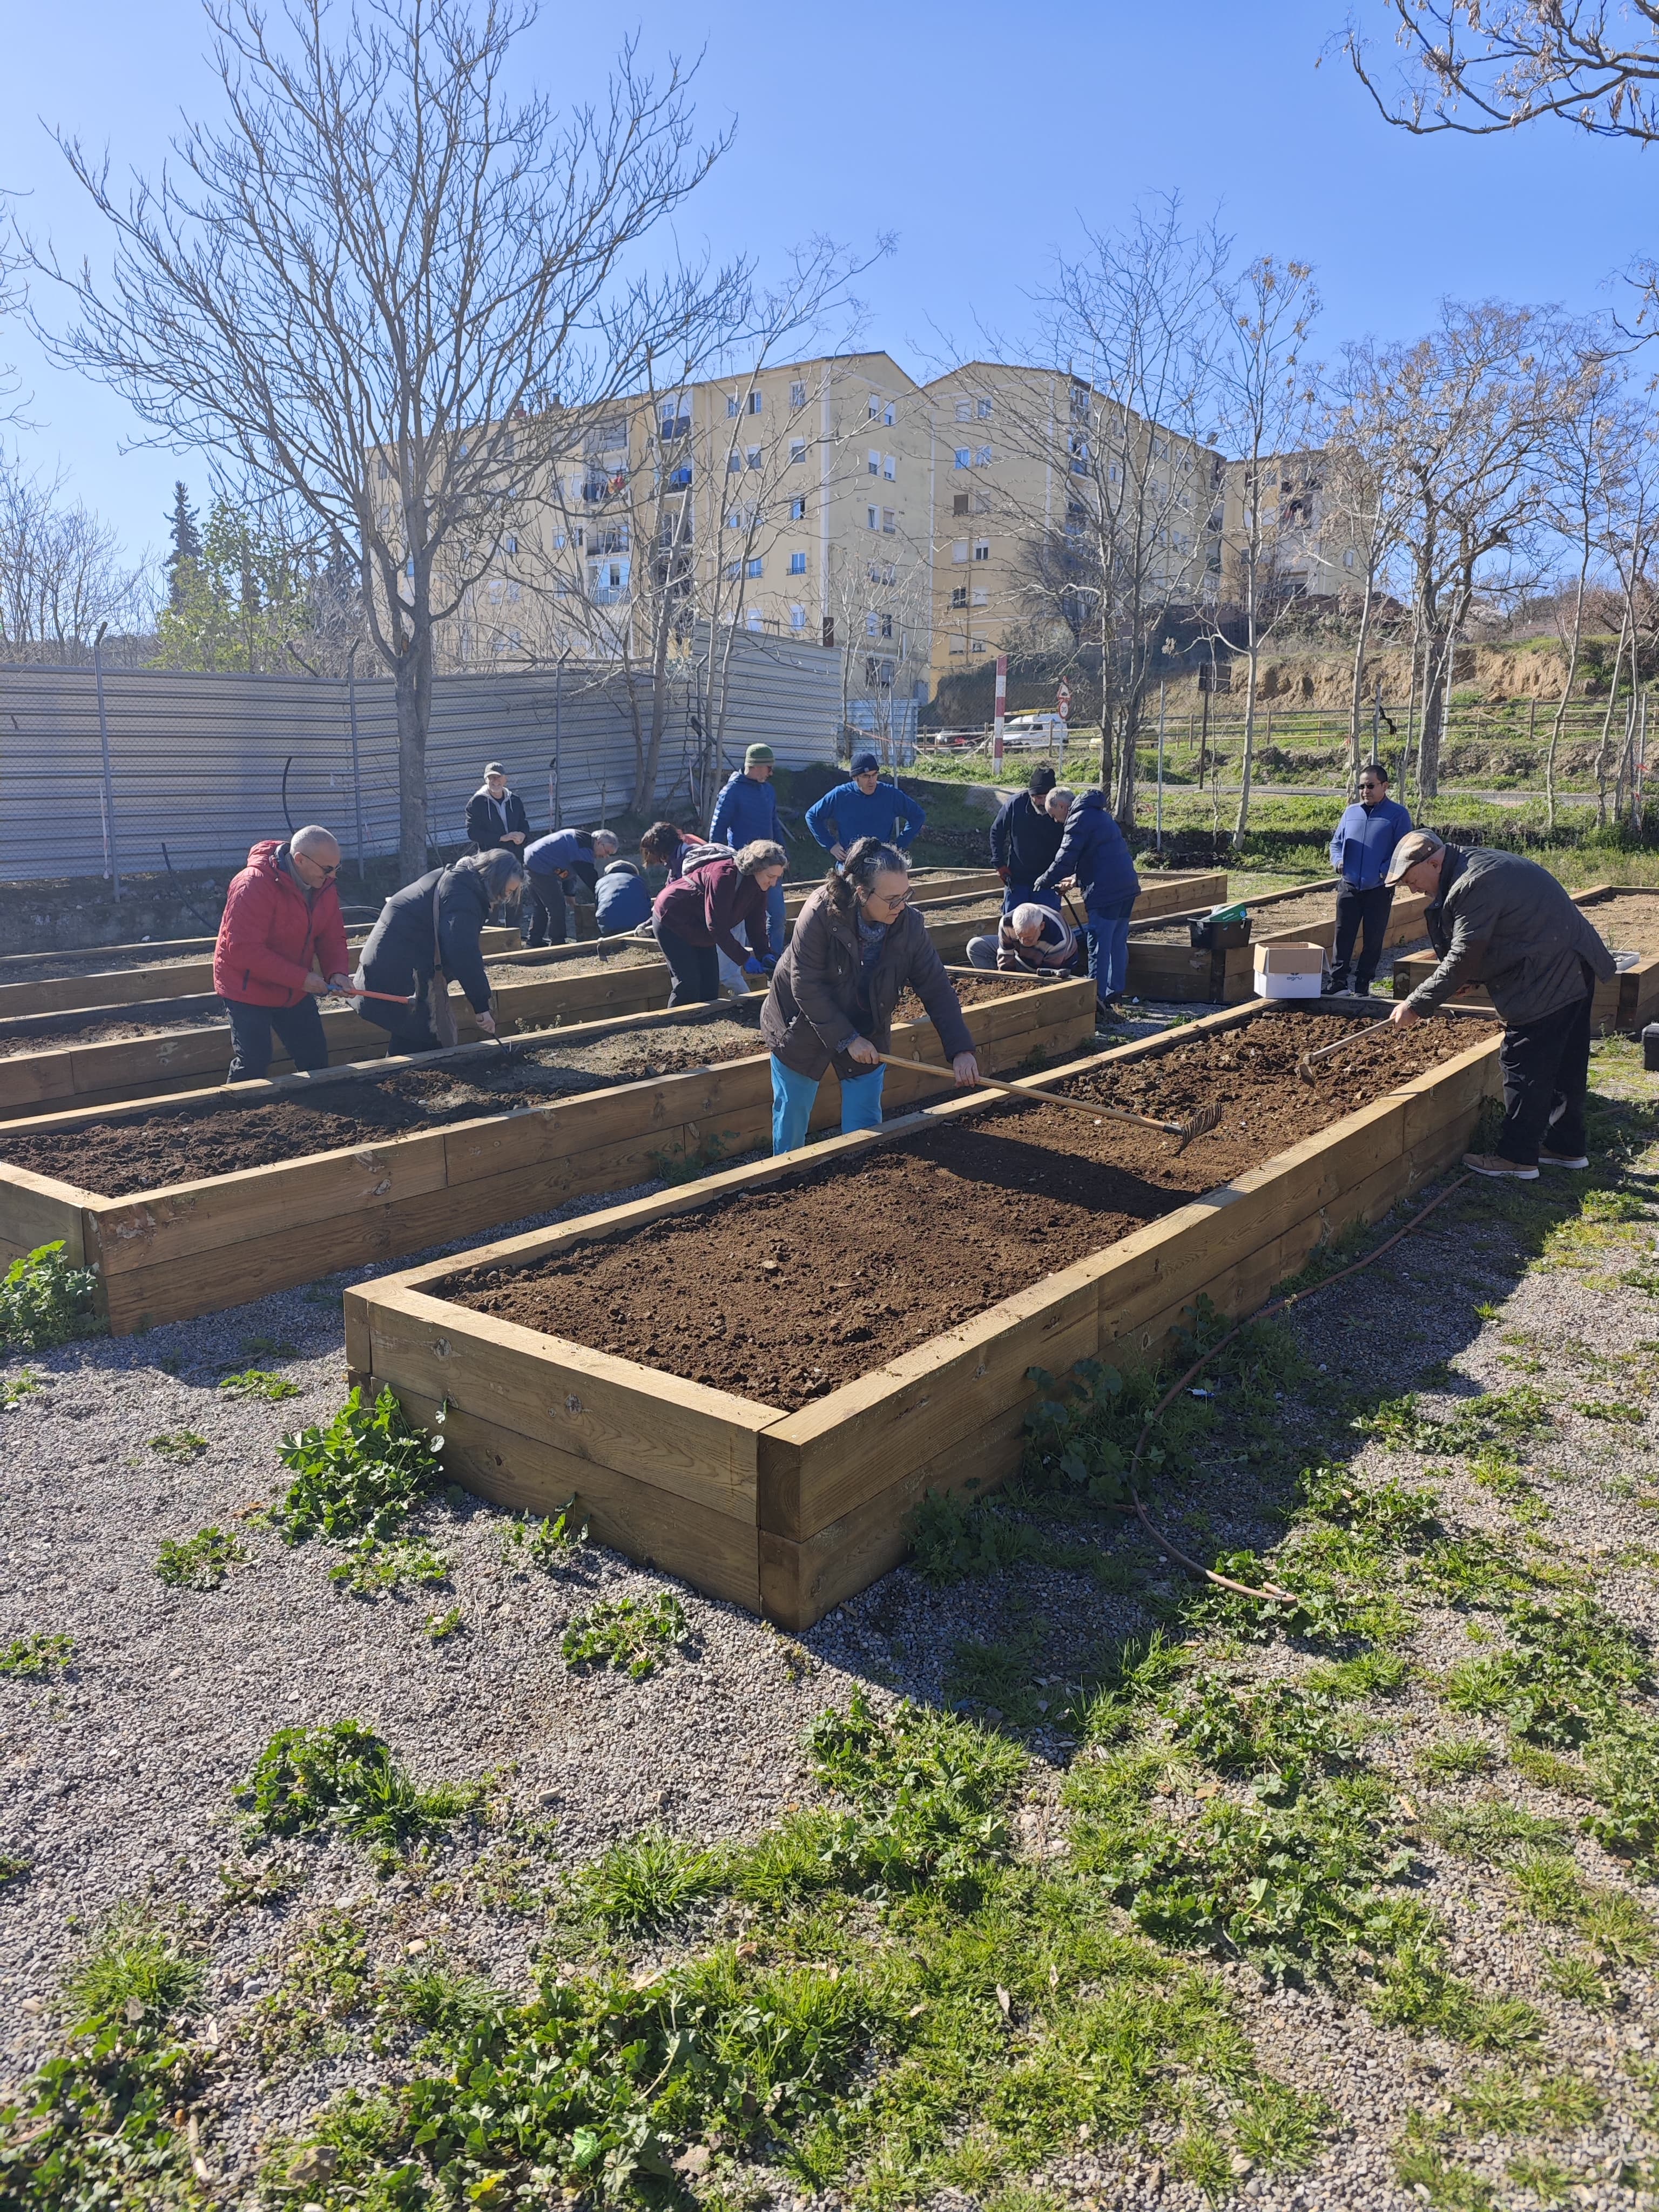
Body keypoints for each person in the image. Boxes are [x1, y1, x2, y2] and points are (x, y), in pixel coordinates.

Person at [1386, 831, 1617, 1180]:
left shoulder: (1471, 883)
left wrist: (1417, 1004)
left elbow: (1464, 954)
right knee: (1567, 1059)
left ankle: (1517, 1158)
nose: (1413, 890)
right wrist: (1473, 979)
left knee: (1522, 1060)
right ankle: (1566, 1148)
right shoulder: (1475, 865)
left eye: (1411, 880)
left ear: (1433, 862)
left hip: (1548, 971)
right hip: (1570, 960)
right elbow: (1504, 933)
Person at [761, 839, 980, 1155]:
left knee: (864, 1124)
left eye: (906, 895)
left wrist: (961, 1049)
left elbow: (936, 988)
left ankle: (861, 1172)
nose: (901, 905)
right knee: (793, 1110)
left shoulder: (909, 925)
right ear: (861, 893)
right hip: (801, 1022)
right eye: (892, 899)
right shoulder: (820, 913)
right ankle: (782, 1177)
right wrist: (848, 1039)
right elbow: (805, 986)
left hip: (868, 1020)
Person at [353, 847, 524, 1056]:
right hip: (397, 967)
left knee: (416, 1032)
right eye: (506, 891)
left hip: (396, 961)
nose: (505, 898)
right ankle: (404, 1080)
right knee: (421, 1035)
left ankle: (403, 1077)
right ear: (494, 879)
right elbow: (463, 951)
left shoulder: (462, 881)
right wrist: (481, 1005)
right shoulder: (463, 896)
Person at [214, 826, 352, 1083]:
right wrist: (302, 978)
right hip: (248, 988)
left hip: (294, 987)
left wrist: (337, 972)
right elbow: (244, 950)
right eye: (327, 869)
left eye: (336, 868)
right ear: (300, 859)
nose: (333, 876)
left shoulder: (323, 886)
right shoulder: (252, 884)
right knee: (254, 1061)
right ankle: (238, 1113)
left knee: (315, 1058)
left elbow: (331, 935)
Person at [1034, 787, 1141, 1021]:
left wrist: (1045, 880)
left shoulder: (1077, 819)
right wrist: (1077, 879)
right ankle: (1115, 992)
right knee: (1117, 941)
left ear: (1062, 806)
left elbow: (1065, 858)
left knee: (1099, 944)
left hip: (1106, 893)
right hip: (1126, 886)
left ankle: (1097, 998)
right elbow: (1100, 856)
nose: (1055, 820)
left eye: (1054, 814)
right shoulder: (1098, 814)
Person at [652, 839, 787, 1008]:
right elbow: (717, 926)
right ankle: (674, 1025)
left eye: (777, 878)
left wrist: (764, 953)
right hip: (673, 919)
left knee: (710, 984)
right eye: (771, 876)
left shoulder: (759, 888)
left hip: (701, 928)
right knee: (688, 983)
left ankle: (703, 1027)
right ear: (757, 868)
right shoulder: (724, 875)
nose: (773, 883)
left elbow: (756, 925)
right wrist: (744, 958)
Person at [1326, 763, 1414, 995]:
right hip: (1349, 885)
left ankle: (1363, 985)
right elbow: (1336, 843)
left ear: (1385, 786)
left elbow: (1404, 849)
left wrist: (1384, 872)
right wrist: (1338, 862)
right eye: (1362, 786)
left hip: (1378, 888)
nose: (1366, 791)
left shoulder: (1398, 815)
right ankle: (1338, 983)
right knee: (1343, 935)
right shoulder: (1351, 813)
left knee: (1373, 938)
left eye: (1371, 786)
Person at [710, 743, 788, 959]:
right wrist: (716, 862)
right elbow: (718, 829)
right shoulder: (732, 791)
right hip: (744, 867)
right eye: (768, 768)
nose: (771, 773)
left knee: (778, 916)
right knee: (740, 918)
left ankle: (775, 959)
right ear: (755, 766)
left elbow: (774, 823)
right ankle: (739, 961)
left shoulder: (768, 791)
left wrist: (783, 856)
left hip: (771, 864)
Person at [805, 750, 927, 861]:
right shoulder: (840, 795)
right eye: (866, 776)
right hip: (850, 862)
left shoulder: (891, 795)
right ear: (855, 777)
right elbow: (812, 816)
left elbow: (918, 815)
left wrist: (898, 846)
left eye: (874, 775)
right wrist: (831, 845)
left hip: (881, 862)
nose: (872, 781)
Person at [989, 766, 1069, 914]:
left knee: (1048, 924)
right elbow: (997, 831)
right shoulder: (1015, 804)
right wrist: (999, 864)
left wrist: (1065, 873)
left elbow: (1071, 843)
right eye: (1037, 797)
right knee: (1013, 925)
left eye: (1045, 797)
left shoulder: (1062, 808)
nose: (1041, 802)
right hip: (1017, 879)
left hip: (1049, 880)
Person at [520, 826, 619, 947]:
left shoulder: (581, 841)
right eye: (607, 852)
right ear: (599, 842)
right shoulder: (583, 848)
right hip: (539, 866)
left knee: (541, 906)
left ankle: (533, 942)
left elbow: (569, 870)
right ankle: (558, 943)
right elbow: (592, 880)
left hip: (530, 859)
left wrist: (569, 894)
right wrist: (606, 898)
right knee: (557, 906)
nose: (606, 857)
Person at [967, 901, 1083, 977]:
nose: (1023, 942)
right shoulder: (1007, 923)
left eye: (1028, 938)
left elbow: (1047, 976)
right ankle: (994, 982)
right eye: (1019, 937)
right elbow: (1005, 955)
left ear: (1041, 927)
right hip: (1022, 959)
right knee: (976, 946)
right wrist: (1007, 981)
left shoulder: (1058, 939)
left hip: (1053, 968)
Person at [465, 762, 529, 855]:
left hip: (515, 854)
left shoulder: (515, 800)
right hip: (490, 856)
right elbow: (473, 833)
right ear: (486, 780)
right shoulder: (476, 803)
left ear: (505, 779)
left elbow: (523, 824)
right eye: (491, 777)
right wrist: (502, 838)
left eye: (498, 777)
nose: (495, 781)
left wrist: (523, 835)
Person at [594, 858, 652, 935]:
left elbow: (597, 906)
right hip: (638, 924)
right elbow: (648, 902)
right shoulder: (640, 880)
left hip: (609, 926)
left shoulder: (600, 882)